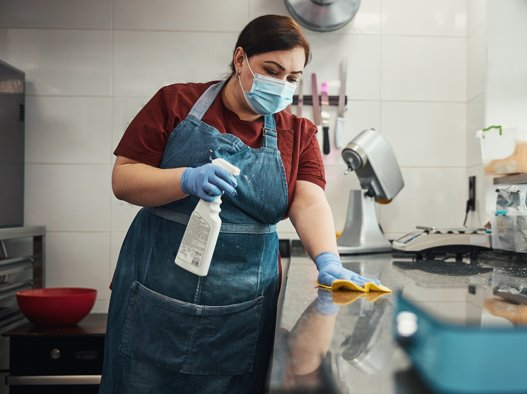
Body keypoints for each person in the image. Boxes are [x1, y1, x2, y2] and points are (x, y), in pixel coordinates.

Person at [100, 14, 379, 394]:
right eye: (271, 70)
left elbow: (309, 202)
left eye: (291, 78)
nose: (281, 85)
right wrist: (184, 179)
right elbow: (125, 178)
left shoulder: (297, 133)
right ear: (239, 59)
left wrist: (328, 261)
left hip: (239, 319)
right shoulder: (176, 102)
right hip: (154, 306)